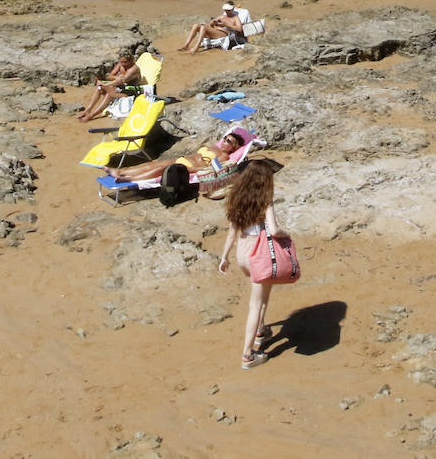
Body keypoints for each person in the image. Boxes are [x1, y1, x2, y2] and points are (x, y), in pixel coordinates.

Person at [218, 158, 290, 370]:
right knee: (256, 303)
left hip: (243, 252)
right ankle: (248, 354)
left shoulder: (236, 198)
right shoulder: (266, 200)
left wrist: (224, 257)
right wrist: (287, 235)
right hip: (260, 254)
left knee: (261, 294)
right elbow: (274, 230)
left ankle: (261, 330)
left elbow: (232, 232)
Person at [107, 128, 246, 183]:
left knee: (159, 171)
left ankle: (129, 179)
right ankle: (120, 171)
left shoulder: (224, 157)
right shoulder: (214, 147)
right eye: (225, 138)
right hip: (182, 160)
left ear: (234, 147)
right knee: (152, 164)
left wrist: (189, 170)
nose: (224, 141)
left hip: (188, 167)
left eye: (228, 141)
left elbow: (211, 169)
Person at [78, 52, 144, 122]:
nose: (123, 64)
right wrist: (117, 78)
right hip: (120, 88)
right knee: (99, 88)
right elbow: (110, 76)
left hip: (130, 92)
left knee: (110, 94)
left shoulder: (133, 69)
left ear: (131, 60)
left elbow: (121, 81)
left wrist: (106, 85)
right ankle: (88, 110)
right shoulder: (120, 65)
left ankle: (92, 115)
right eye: (121, 62)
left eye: (125, 62)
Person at [179, 2, 244, 53]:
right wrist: (213, 22)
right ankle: (186, 45)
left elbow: (239, 29)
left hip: (224, 33)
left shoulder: (235, 18)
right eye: (226, 10)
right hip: (215, 31)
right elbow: (209, 24)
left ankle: (196, 47)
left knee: (204, 27)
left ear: (232, 9)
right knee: (196, 25)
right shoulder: (221, 17)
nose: (227, 11)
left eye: (228, 10)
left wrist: (226, 24)